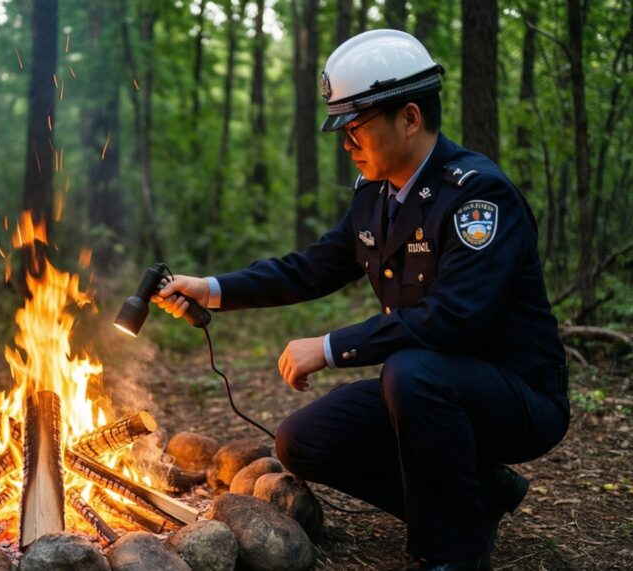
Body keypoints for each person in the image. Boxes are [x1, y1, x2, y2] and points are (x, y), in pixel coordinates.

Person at [153, 29, 570, 571]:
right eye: (342, 129)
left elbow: (452, 319)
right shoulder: (375, 193)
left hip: (516, 395)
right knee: (301, 440)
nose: (346, 143)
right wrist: (212, 287)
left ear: (410, 118)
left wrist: (329, 346)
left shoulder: (477, 195)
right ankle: (478, 499)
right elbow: (315, 265)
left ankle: (454, 552)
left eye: (356, 127)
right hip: (430, 388)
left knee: (411, 371)